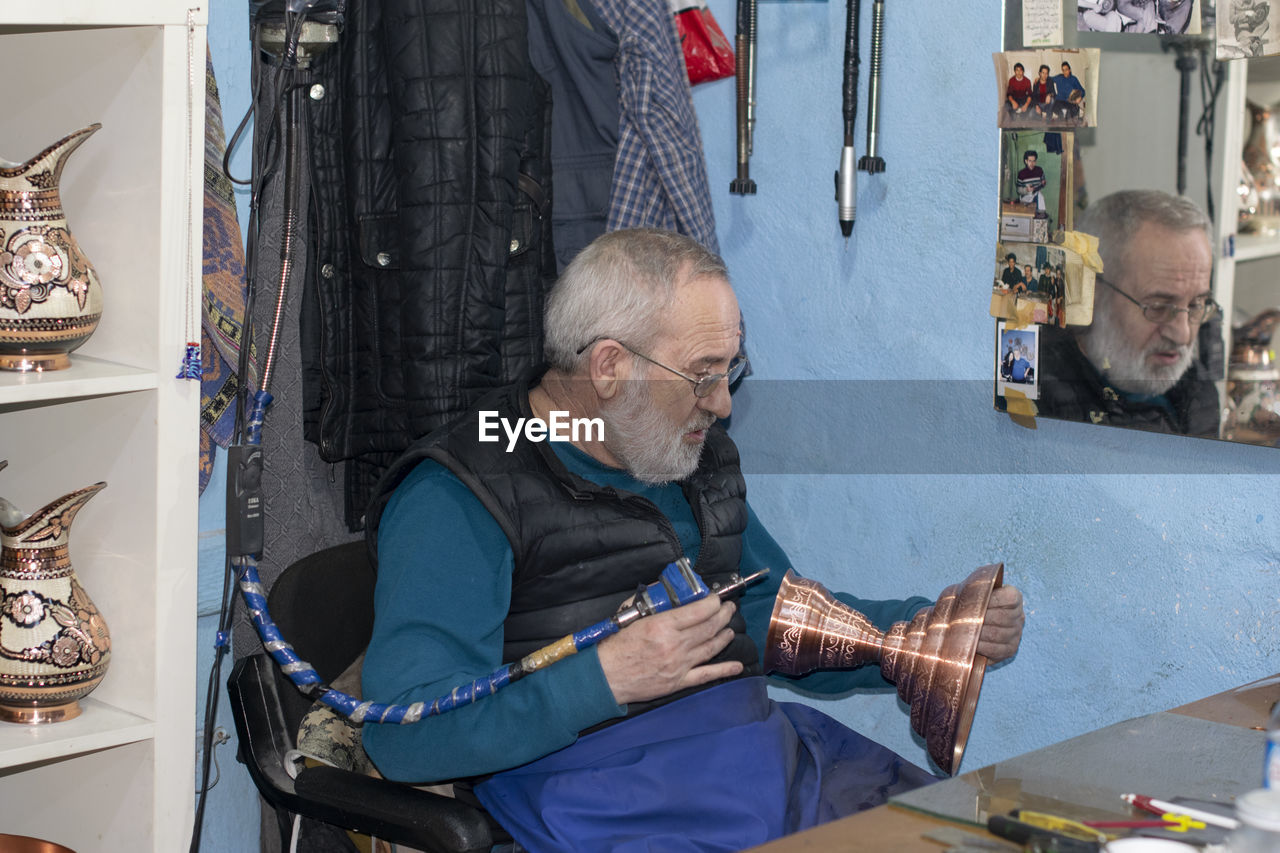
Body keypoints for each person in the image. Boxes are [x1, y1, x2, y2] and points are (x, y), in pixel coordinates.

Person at [361, 228, 1027, 852]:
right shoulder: (464, 493)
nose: (723, 403)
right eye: (702, 373)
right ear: (610, 367)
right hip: (608, 794)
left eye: (729, 369)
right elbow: (402, 733)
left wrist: (929, 631)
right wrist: (606, 677)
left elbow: (768, 615)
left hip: (759, 761)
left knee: (975, 837)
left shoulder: (685, 456)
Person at [1037, 190, 1222, 435]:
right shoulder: (1035, 400)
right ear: (1088, 294)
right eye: (1159, 307)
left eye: (1197, 305)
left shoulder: (1198, 392)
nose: (1183, 334)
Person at [1017, 150, 1049, 218]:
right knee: (1038, 196)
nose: (1032, 163)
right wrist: (1026, 190)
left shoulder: (1039, 170)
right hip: (1025, 197)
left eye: (1034, 161)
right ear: (1026, 161)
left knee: (1038, 195)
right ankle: (1041, 214)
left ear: (1036, 161)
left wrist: (1043, 183)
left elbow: (1043, 182)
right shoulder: (1021, 173)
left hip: (1036, 195)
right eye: (1030, 161)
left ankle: (1040, 214)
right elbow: (1019, 190)